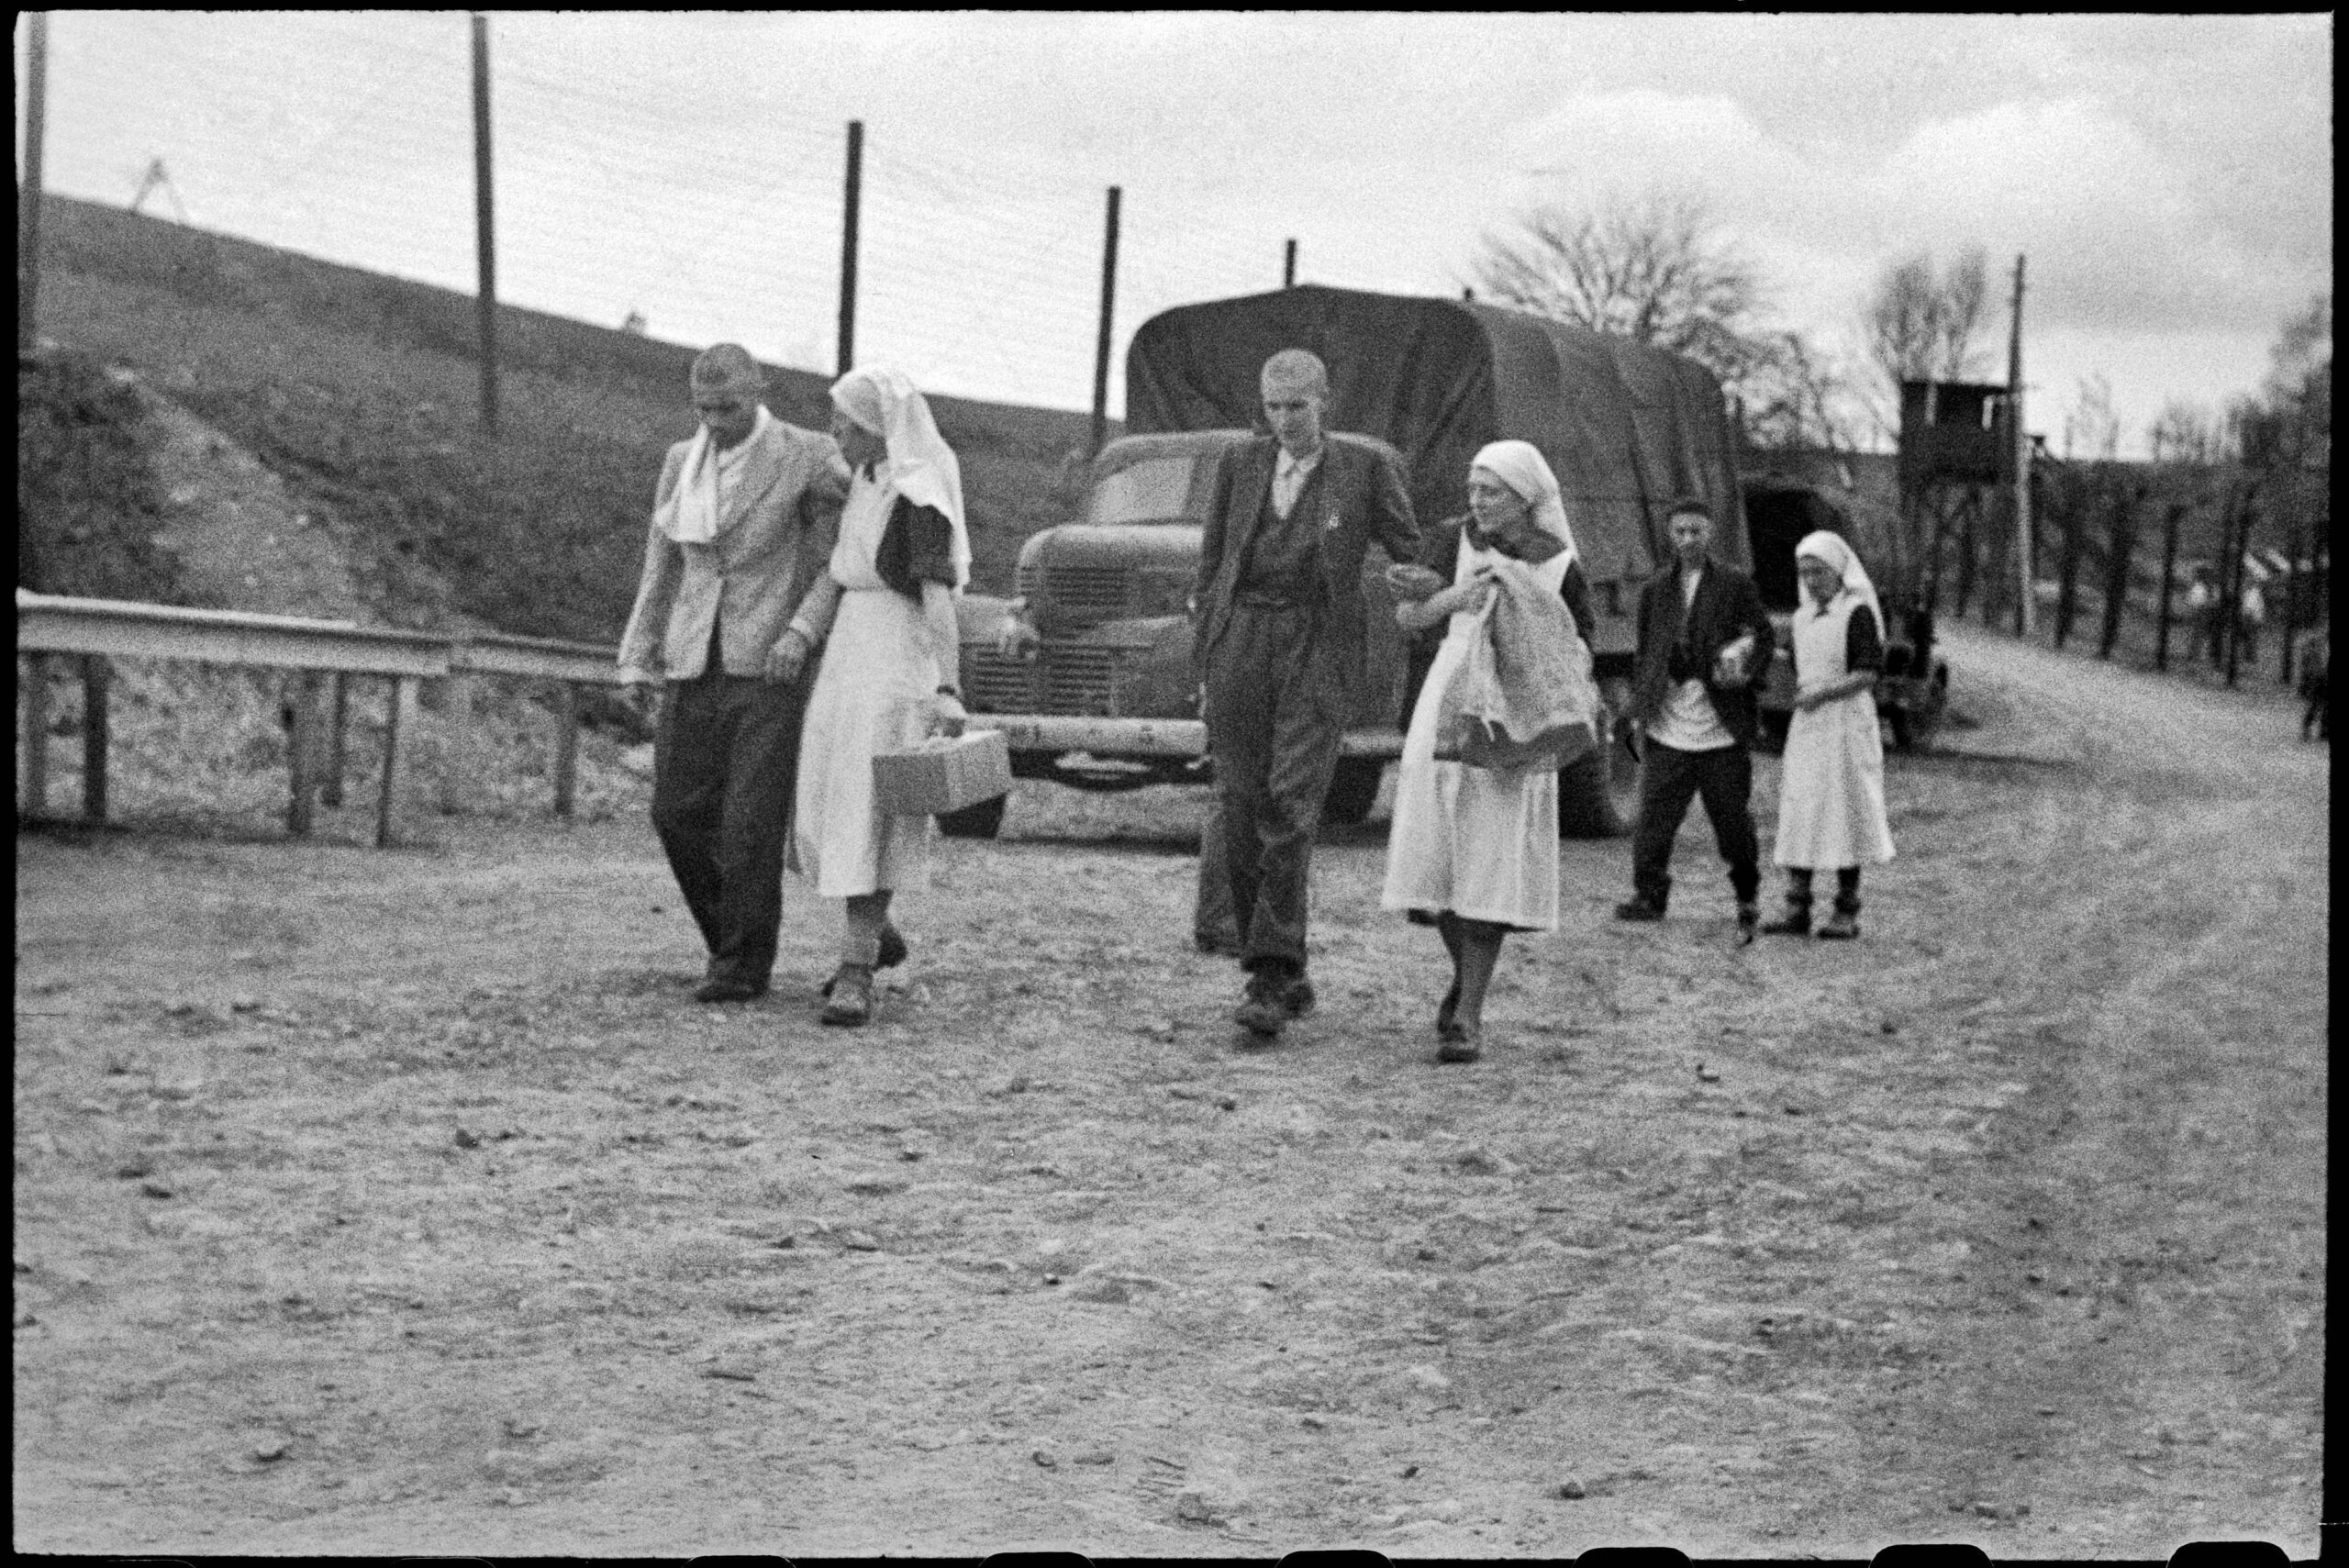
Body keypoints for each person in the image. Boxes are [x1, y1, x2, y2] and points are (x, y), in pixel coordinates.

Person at [1193, 348, 1419, 1040]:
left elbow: (1412, 548)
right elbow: (1212, 562)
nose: (1285, 420)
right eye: (1273, 407)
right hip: (1242, 641)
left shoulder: (1363, 469)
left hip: (1316, 645)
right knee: (1237, 800)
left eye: (1298, 406)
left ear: (1326, 401)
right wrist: (1210, 656)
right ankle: (1287, 969)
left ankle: (1266, 972)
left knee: (1291, 804)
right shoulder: (1240, 464)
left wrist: (1427, 580)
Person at [617, 343, 848, 1004]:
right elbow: (660, 562)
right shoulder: (678, 463)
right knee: (675, 813)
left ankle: (742, 965)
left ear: (760, 390)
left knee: (751, 820)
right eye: (704, 408)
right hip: (694, 658)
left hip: (769, 662)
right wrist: (638, 652)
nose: (715, 422)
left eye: (730, 407)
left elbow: (844, 551)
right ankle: (736, 936)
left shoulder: (805, 453)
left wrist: (802, 631)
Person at [1382, 441, 1595, 1063]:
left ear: (1525, 497)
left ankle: (1468, 1014)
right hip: (1449, 696)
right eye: (1473, 488)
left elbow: (1578, 644)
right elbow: (1406, 617)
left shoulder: (1557, 563)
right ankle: (1463, 978)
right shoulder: (1452, 541)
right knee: (1440, 855)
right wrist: (1454, 599)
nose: (1478, 501)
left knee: (1492, 855)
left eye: (1492, 490)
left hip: (1516, 708)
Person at [780, 366, 971, 1027]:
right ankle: (876, 932)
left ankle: (857, 966)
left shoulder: (920, 499)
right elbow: (838, 572)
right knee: (831, 803)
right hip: (847, 656)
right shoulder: (862, 480)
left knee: (872, 806)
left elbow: (939, 599)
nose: (835, 434)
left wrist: (947, 687)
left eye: (846, 425)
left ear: (880, 429)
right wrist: (803, 636)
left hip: (893, 660)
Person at [1614, 498, 1777, 941]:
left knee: (1732, 821)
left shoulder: (1735, 584)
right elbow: (1645, 651)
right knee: (1654, 818)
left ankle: (1747, 897)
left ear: (1711, 534)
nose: (1688, 540)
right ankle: (1649, 896)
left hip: (1720, 728)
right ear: (1670, 534)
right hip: (1669, 724)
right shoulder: (1655, 590)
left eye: (1697, 531)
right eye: (1681, 531)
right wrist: (1641, 702)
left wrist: (1742, 666)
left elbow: (1763, 635)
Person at [1760, 532, 1896, 940]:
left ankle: (1846, 910)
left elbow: (1868, 671)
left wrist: (1824, 692)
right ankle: (1797, 907)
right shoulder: (1801, 618)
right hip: (1810, 724)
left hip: (1846, 723)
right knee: (1802, 808)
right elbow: (1800, 664)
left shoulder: (1856, 613)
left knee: (1844, 810)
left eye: (1818, 572)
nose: (1811, 581)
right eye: (1804, 573)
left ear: (1838, 573)